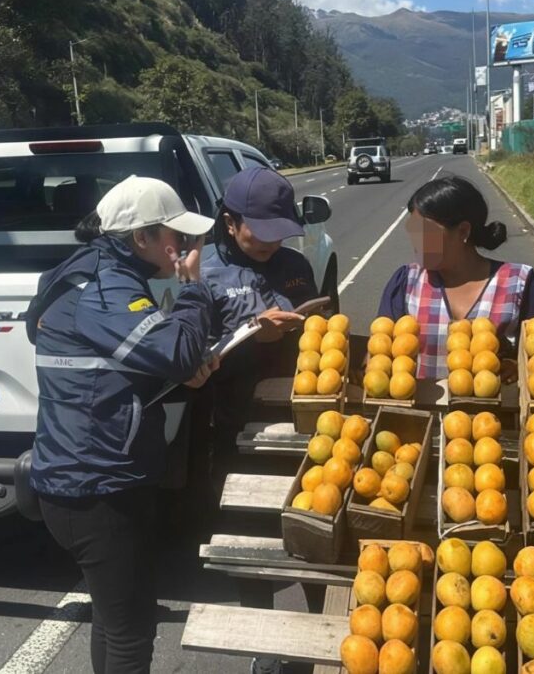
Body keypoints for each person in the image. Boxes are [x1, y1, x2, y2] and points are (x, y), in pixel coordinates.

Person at [28, 175, 218, 674]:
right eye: (175, 236)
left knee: (112, 623)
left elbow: (123, 366)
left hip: (83, 475)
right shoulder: (106, 288)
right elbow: (174, 352)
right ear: (142, 239)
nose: (184, 246)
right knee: (132, 632)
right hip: (97, 485)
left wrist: (178, 369)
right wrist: (194, 290)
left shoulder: (91, 271)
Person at [199, 167, 319, 674]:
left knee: (314, 524)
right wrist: (254, 336)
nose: (272, 243)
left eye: (279, 232)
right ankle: (263, 643)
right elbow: (188, 360)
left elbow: (317, 335)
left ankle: (319, 629)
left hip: (301, 423)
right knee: (248, 537)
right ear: (230, 223)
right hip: (233, 425)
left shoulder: (294, 265)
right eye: (259, 231)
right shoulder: (201, 273)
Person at [377, 175, 534, 380]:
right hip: (418, 411)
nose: (416, 240)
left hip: (489, 413)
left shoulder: (519, 284)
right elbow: (381, 355)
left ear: (463, 231)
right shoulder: (406, 283)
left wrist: (516, 366)